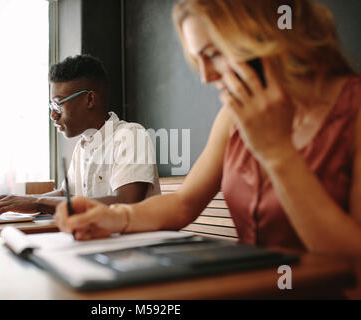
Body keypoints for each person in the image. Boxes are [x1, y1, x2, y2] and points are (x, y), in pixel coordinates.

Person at [54, 0, 361, 256]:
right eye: (197, 59)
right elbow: (182, 203)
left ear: (265, 36)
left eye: (213, 54)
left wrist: (278, 153)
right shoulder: (234, 115)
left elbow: (351, 259)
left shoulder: (353, 110)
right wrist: (113, 217)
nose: (206, 77)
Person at [0, 54, 160, 220]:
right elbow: (66, 194)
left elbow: (126, 202)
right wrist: (12, 201)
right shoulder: (84, 145)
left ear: (89, 100)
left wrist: (36, 202)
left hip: (135, 248)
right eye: (51, 107)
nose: (53, 115)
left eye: (58, 106)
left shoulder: (131, 135)